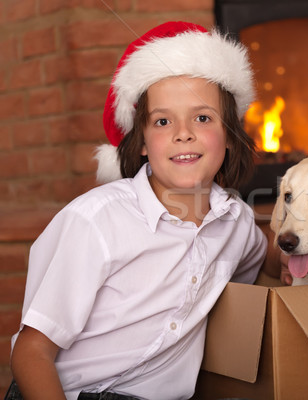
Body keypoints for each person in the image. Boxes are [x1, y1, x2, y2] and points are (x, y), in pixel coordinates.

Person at [8, 21, 268, 400]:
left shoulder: (236, 223)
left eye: (203, 117)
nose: (184, 132)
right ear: (142, 142)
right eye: (163, 121)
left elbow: (272, 259)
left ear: (228, 134)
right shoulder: (96, 221)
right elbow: (31, 352)